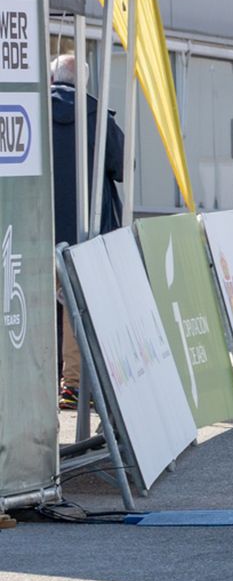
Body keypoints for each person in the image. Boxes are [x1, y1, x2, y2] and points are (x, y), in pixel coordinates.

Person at [50, 54, 124, 410]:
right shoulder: (99, 118)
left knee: (30, 304)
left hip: (33, 230)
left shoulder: (25, 111)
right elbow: (121, 165)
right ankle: (74, 384)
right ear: (85, 82)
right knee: (75, 306)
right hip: (83, 232)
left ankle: (36, 382)